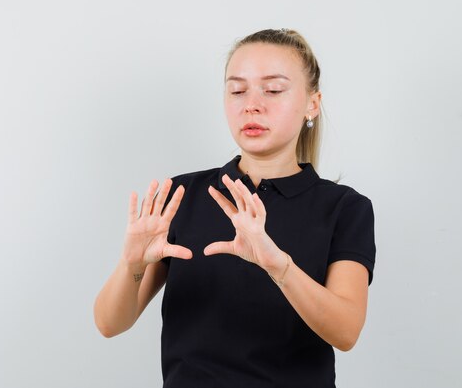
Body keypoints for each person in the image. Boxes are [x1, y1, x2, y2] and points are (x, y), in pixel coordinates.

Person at [93, 28, 376, 388]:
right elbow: (109, 323)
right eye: (237, 90)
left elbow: (347, 331)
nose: (251, 104)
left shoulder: (344, 208)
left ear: (312, 104)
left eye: (273, 90)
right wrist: (131, 263)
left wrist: (278, 266)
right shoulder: (182, 195)